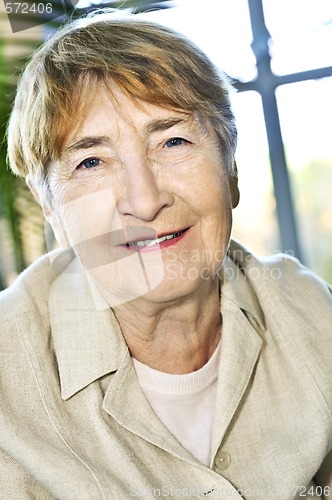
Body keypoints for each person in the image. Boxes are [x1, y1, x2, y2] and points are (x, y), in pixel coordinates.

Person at [1, 10, 331, 500]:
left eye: (173, 141)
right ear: (48, 203)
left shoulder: (312, 312)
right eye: (91, 162)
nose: (145, 198)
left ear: (232, 168)